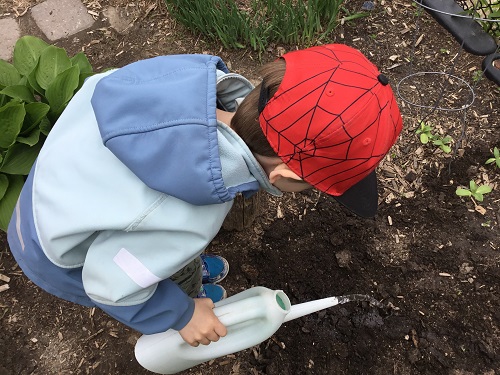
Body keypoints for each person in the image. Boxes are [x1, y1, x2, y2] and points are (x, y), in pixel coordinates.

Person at [7, 44, 403, 348]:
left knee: (159, 250)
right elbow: (110, 283)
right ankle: (182, 287)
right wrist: (181, 314)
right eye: (311, 185)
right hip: (60, 252)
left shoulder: (184, 77)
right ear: (286, 174)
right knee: (153, 270)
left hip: (54, 191)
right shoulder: (184, 216)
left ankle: (177, 271)